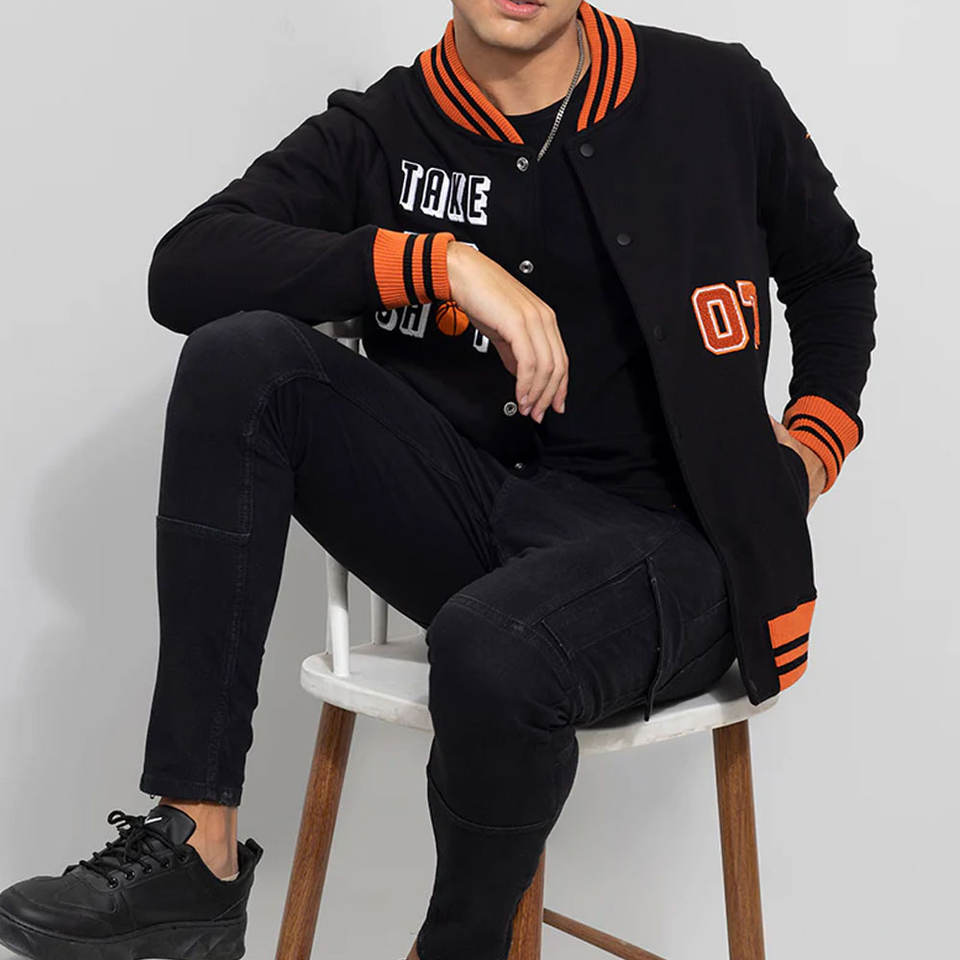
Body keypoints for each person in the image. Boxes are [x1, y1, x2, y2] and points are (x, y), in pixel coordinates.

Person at [0, 1, 877, 959]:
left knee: (493, 644)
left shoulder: (714, 91)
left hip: (680, 545)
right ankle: (196, 848)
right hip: (479, 518)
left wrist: (814, 446)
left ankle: (456, 947)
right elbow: (185, 268)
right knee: (238, 360)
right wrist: (434, 264)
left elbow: (832, 271)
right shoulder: (387, 126)